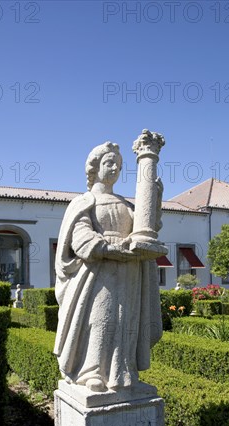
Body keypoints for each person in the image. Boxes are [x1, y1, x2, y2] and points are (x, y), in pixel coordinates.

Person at [53, 142, 163, 392]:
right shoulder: (84, 202)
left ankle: (123, 372)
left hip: (130, 272)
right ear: (95, 167)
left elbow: (146, 231)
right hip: (99, 271)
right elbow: (79, 236)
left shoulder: (126, 204)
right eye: (109, 163)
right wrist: (107, 249)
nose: (115, 168)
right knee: (100, 318)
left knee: (128, 320)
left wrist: (153, 202)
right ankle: (90, 371)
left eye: (119, 165)